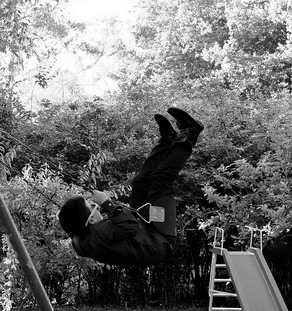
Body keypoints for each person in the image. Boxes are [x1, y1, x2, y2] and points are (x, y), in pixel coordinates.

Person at [58, 107, 203, 268]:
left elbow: (73, 228)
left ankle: (167, 140)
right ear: (90, 219)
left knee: (140, 183)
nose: (95, 205)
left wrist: (67, 216)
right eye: (92, 206)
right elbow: (130, 227)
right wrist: (107, 204)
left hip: (145, 231)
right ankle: (190, 133)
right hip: (160, 239)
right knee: (161, 180)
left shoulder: (81, 241)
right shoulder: (100, 232)